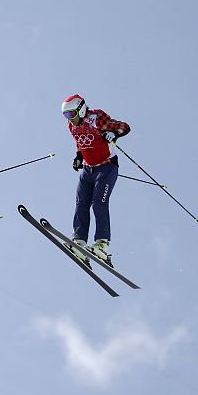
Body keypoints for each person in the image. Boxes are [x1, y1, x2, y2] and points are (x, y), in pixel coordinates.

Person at [61, 94, 130, 267]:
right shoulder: (72, 126)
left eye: (70, 114)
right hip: (88, 169)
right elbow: (80, 142)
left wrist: (112, 134)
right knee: (81, 203)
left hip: (106, 166)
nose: (69, 119)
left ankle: (102, 245)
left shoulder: (96, 117)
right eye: (65, 116)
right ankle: (79, 242)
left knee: (99, 203)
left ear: (80, 109)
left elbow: (124, 127)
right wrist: (78, 157)